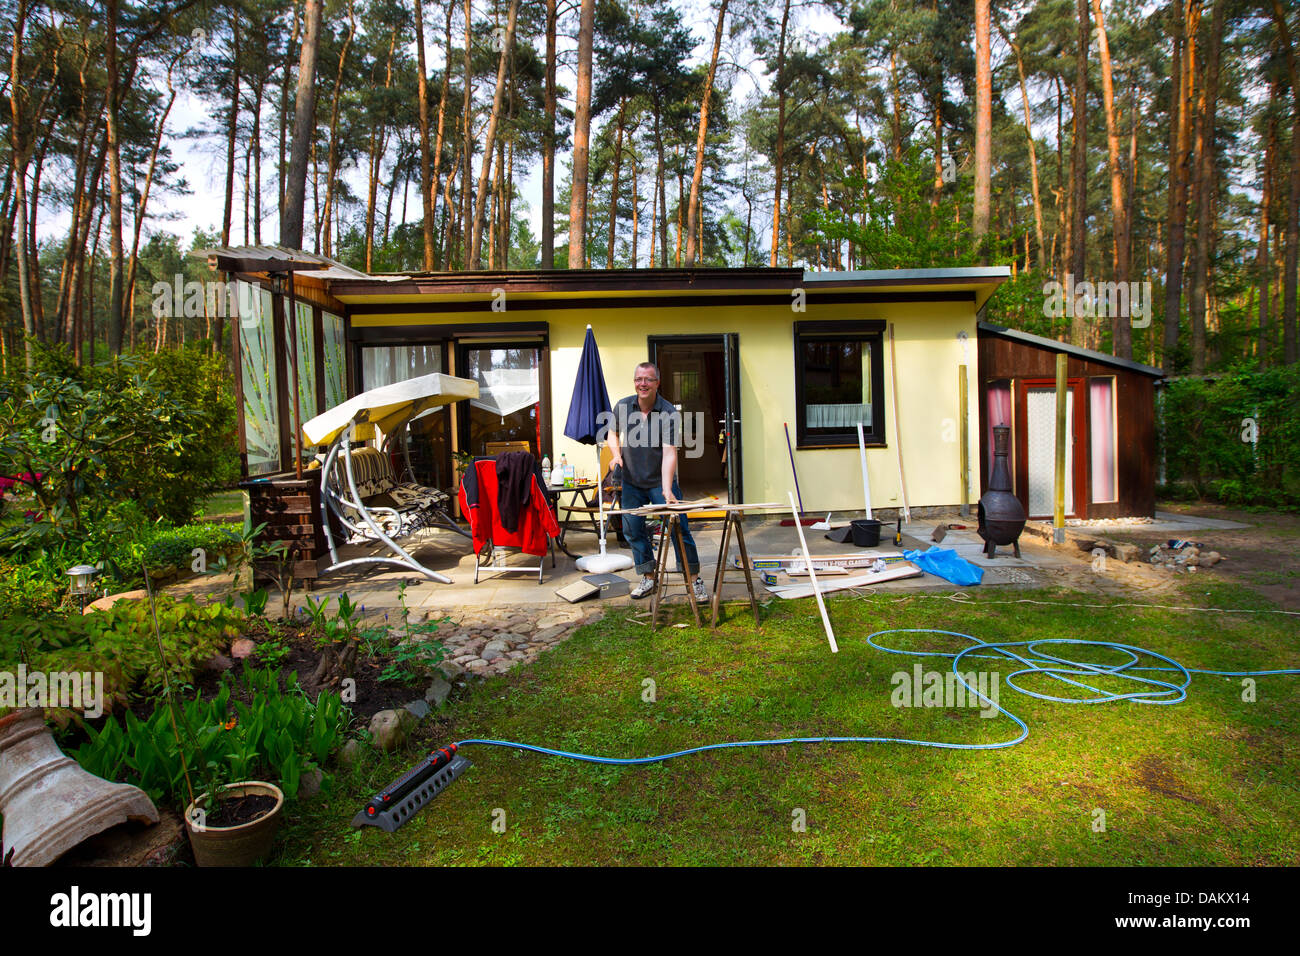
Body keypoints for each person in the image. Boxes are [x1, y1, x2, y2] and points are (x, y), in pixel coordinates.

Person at [605, 362, 708, 603]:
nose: (643, 383)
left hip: (659, 482)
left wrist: (666, 488)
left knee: (679, 528)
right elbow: (612, 434)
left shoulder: (668, 412)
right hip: (631, 481)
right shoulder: (622, 406)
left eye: (648, 379)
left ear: (656, 383)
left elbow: (669, 451)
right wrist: (617, 455)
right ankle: (649, 577)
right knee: (632, 530)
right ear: (635, 382)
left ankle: (694, 580)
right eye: (639, 379)